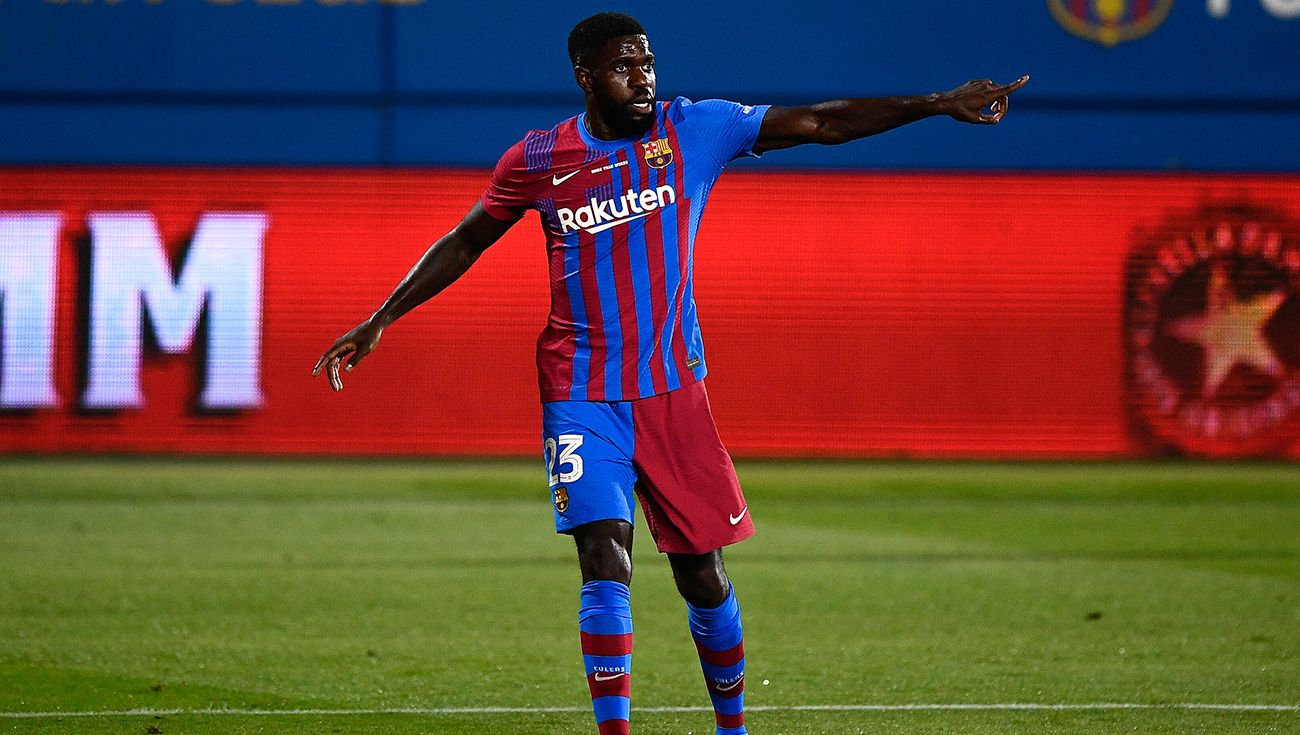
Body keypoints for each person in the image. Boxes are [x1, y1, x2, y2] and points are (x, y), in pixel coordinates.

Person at [314, 11, 1027, 735]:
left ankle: (732, 727)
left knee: (702, 574)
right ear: (586, 76)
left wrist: (935, 104)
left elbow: (821, 122)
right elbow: (469, 237)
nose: (644, 77)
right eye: (625, 66)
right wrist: (382, 316)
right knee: (603, 553)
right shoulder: (538, 158)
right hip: (581, 392)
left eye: (648, 63)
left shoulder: (693, 130)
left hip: (672, 390)